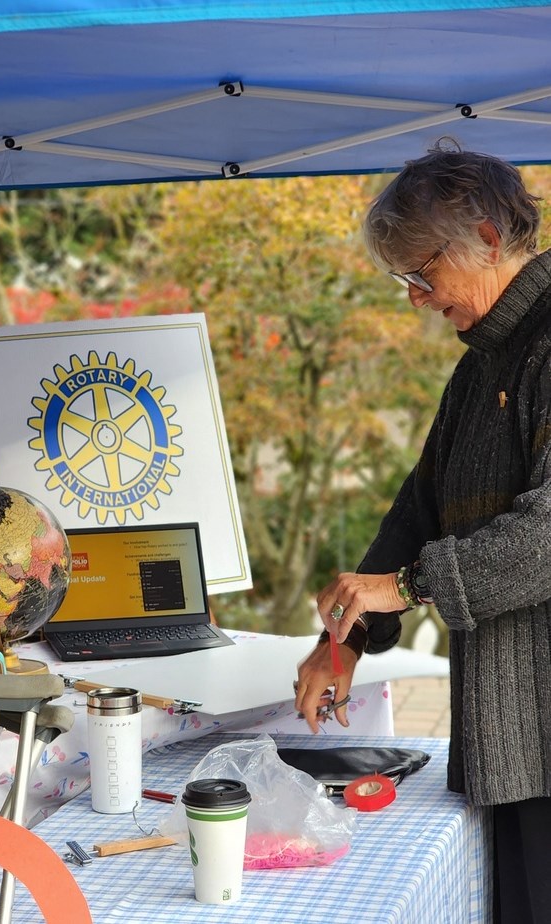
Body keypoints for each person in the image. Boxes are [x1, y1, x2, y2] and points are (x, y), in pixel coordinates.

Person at [294, 140, 551, 922]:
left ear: (484, 231)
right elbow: (420, 507)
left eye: (421, 272)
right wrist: (346, 635)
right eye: (403, 278)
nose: (415, 296)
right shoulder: (480, 365)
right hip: (514, 737)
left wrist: (405, 587)